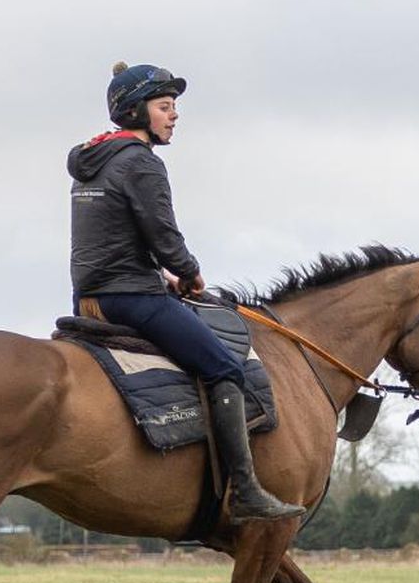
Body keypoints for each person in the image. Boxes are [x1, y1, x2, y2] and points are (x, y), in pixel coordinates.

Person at [69, 62, 297, 522]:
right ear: (136, 111)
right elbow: (163, 234)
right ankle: (244, 489)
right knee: (224, 367)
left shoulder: (94, 162)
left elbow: (116, 238)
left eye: (173, 107)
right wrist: (188, 273)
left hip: (93, 296)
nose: (174, 115)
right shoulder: (141, 162)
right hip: (131, 298)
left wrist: (162, 277)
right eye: (164, 106)